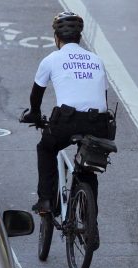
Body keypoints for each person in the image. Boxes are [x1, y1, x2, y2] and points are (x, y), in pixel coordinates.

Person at [20, 11, 110, 216]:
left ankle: (45, 200)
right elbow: (102, 98)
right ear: (80, 37)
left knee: (45, 149)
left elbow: (36, 95)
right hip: (98, 121)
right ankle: (90, 227)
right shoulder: (96, 60)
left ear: (56, 38)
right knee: (88, 167)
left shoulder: (52, 59)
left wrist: (34, 114)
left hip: (67, 121)